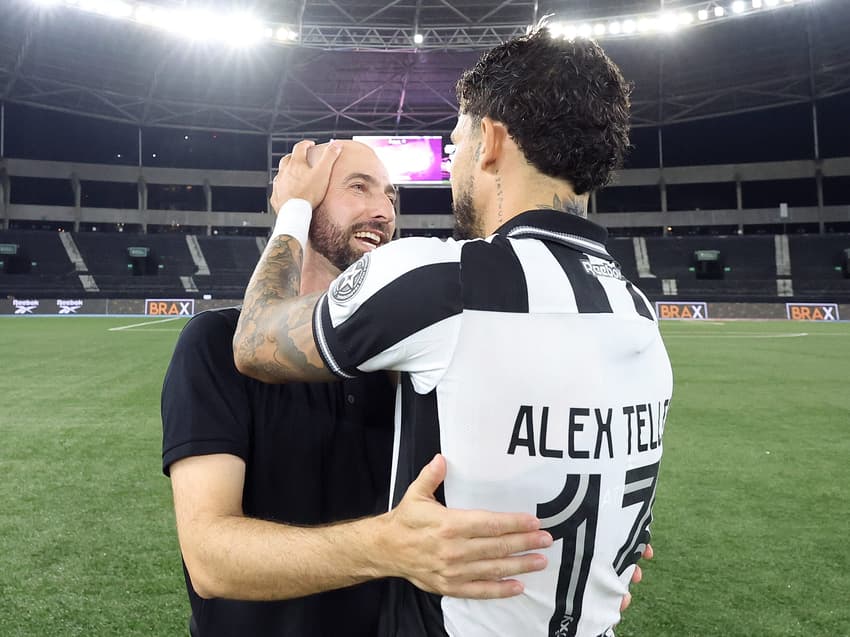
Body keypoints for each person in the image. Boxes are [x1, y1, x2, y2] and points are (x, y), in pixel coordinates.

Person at [233, 30, 672, 637]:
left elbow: (254, 340)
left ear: (491, 140)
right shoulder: (638, 311)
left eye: (455, 143)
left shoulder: (445, 279)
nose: (451, 164)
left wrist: (292, 210)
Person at [161, 140, 559, 637]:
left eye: (390, 197)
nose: (384, 212)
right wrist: (384, 547)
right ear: (303, 200)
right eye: (359, 188)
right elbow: (210, 560)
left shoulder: (410, 356)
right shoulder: (214, 343)